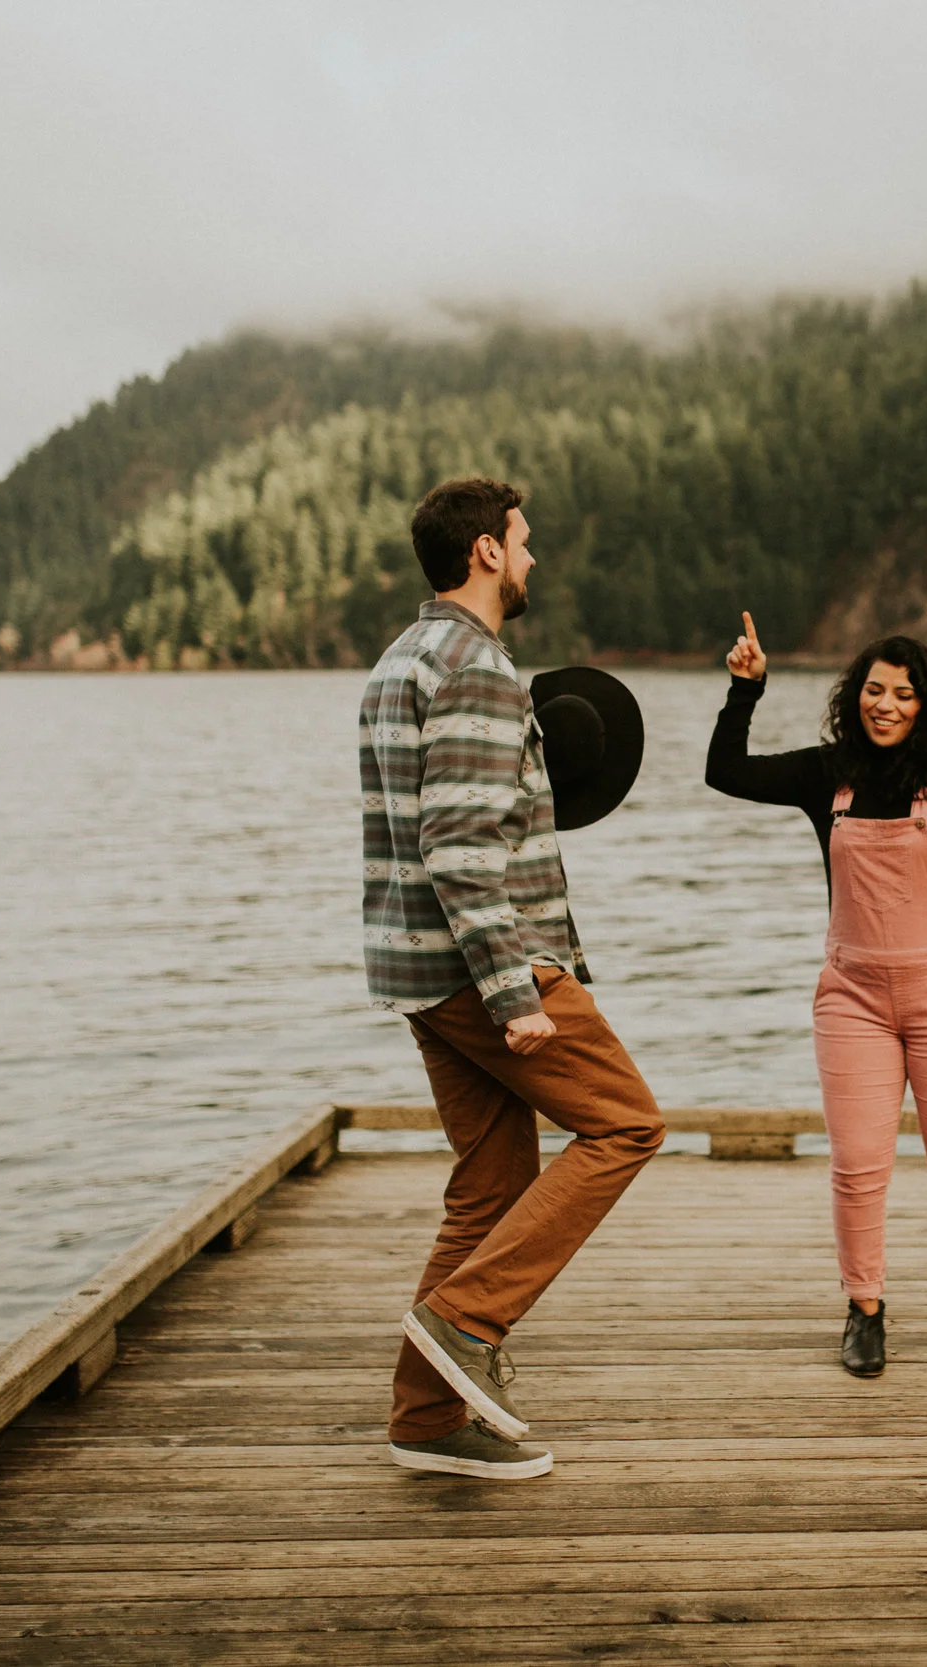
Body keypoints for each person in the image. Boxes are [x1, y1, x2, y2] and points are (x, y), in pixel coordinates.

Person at [360, 476, 666, 1480]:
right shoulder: (479, 667)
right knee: (625, 1122)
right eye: (524, 541)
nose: (533, 558)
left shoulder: (398, 660)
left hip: (418, 971)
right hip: (489, 966)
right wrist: (515, 992)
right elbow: (458, 846)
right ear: (486, 551)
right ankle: (464, 1320)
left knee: (490, 1185)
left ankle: (426, 1417)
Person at [706, 615, 927, 1378]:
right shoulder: (824, 771)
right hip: (853, 996)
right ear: (854, 696)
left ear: (926, 704)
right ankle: (864, 1309)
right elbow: (725, 772)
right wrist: (745, 690)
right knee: (858, 1165)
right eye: (874, 689)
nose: (886, 704)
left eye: (903, 693)